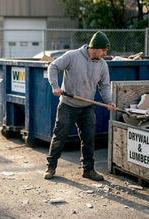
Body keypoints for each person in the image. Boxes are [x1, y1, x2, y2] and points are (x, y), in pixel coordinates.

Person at [43, 31, 116, 181]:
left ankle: (88, 170)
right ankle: (51, 167)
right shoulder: (72, 56)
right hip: (68, 106)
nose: (105, 53)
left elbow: (104, 86)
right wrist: (55, 86)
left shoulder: (103, 65)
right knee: (59, 137)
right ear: (94, 48)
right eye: (103, 50)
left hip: (87, 107)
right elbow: (53, 67)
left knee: (88, 139)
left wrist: (109, 101)